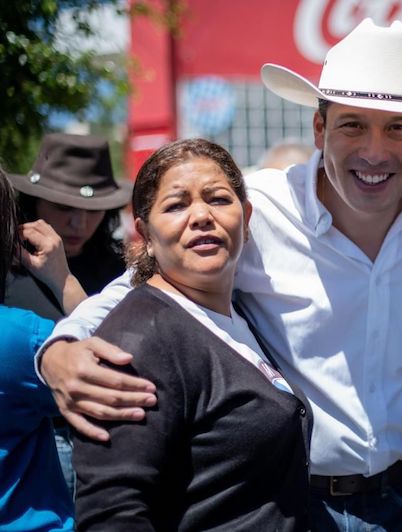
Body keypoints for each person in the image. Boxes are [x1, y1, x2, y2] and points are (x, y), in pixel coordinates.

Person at [37, 18, 402, 531]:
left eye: (398, 127)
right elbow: (145, 287)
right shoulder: (261, 209)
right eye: (352, 124)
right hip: (294, 504)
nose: (374, 150)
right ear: (319, 130)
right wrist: (61, 346)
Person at [71, 138, 312, 530]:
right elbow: (111, 511)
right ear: (144, 234)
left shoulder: (238, 316)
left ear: (246, 219)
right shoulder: (138, 340)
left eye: (217, 199)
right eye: (176, 205)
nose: (201, 216)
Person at [0, 168, 84, 531]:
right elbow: (126, 364)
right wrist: (65, 281)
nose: (77, 220)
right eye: (61, 205)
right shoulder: (18, 338)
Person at [7, 133, 130, 320]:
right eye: (63, 207)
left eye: (93, 210)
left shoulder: (123, 276)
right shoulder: (6, 267)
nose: (79, 224)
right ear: (34, 203)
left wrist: (64, 281)